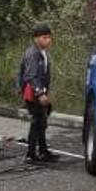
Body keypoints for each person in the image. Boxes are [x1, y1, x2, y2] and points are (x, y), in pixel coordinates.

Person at [18, 23, 56, 164]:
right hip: (32, 93)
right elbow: (30, 76)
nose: (48, 40)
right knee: (36, 123)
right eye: (44, 37)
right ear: (36, 38)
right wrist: (40, 94)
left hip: (39, 91)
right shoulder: (33, 53)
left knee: (42, 122)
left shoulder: (42, 52)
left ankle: (43, 151)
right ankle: (30, 154)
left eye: (49, 37)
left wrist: (45, 92)